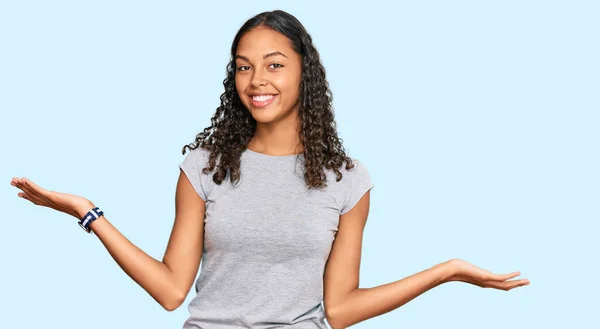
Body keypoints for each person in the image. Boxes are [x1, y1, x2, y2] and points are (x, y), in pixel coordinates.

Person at [10, 9, 530, 329]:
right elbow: (171, 291)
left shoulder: (349, 180)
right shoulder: (204, 167)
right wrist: (87, 213)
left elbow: (341, 309)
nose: (256, 79)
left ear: (306, 70)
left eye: (274, 63)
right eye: (243, 65)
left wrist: (447, 271)